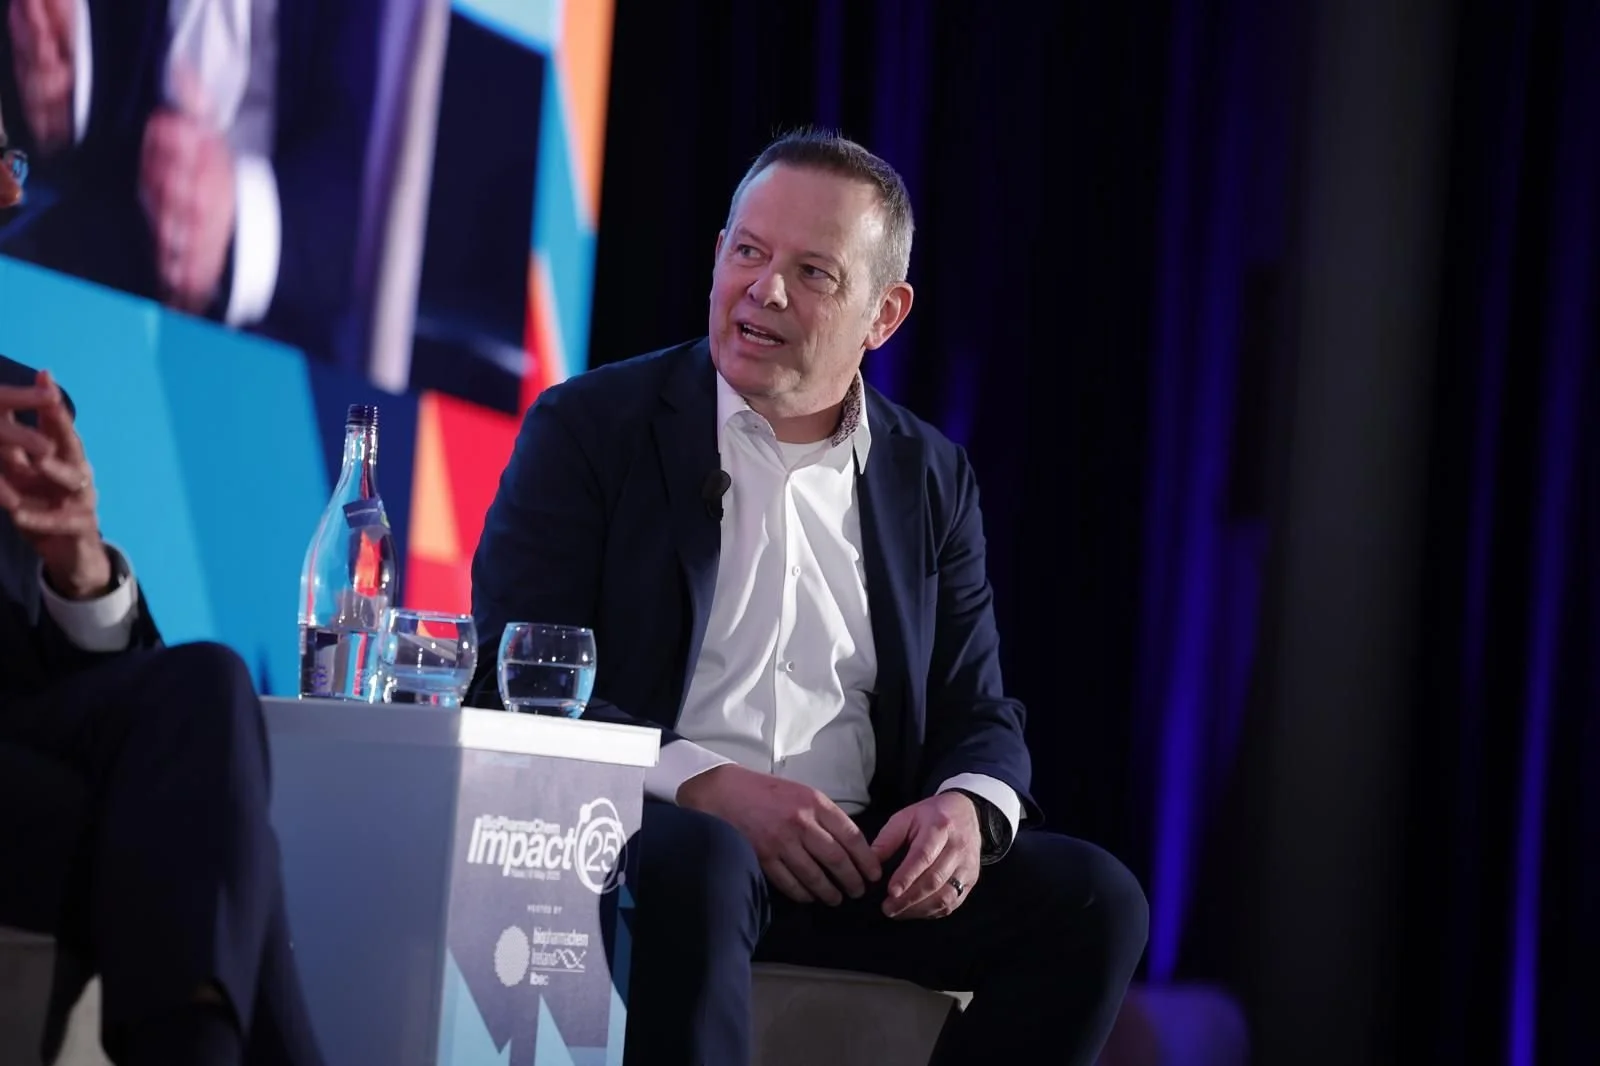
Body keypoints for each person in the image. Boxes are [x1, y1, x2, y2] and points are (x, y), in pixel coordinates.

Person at [470, 129, 1149, 1065]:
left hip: (857, 862)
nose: (765, 290)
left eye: (815, 273)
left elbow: (977, 705)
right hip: (661, 836)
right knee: (702, 866)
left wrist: (966, 808)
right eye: (747, 251)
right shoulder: (591, 429)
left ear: (885, 313)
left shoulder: (929, 475)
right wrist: (709, 786)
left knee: (1095, 899)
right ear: (718, 255)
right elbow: (516, 672)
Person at [0, 353, 324, 1066]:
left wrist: (78, 568)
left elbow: (53, 687)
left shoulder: (16, 405)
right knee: (214, 840)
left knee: (205, 686)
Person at [0, 0, 383, 363]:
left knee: (369, 430)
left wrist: (240, 219)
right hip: (107, 246)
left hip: (318, 349)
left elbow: (404, 169)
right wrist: (71, 67)